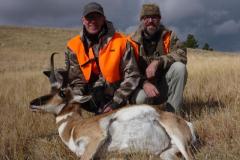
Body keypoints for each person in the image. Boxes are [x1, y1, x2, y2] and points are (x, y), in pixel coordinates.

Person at [65, 2, 140, 114]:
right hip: (92, 94)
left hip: (119, 94)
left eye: (97, 17)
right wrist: (76, 98)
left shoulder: (121, 42)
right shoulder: (74, 46)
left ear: (104, 19)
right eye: (89, 17)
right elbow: (77, 80)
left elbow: (132, 75)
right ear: (83, 20)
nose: (93, 21)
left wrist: (116, 102)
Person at [129, 3, 187, 114]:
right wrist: (144, 83)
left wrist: (158, 61)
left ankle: (173, 114)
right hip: (141, 87)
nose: (151, 20)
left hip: (162, 86)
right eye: (147, 17)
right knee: (141, 99)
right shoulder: (131, 41)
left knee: (179, 68)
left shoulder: (169, 36)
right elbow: (128, 71)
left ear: (159, 19)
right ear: (141, 20)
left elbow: (182, 54)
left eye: (154, 17)